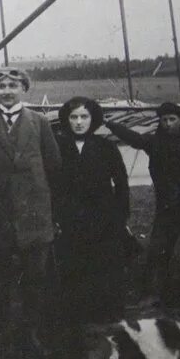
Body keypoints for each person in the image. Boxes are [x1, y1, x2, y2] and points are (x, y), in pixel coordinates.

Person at [0, 68, 61, 356]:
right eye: (2, 86)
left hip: (33, 213)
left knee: (34, 278)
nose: (7, 90)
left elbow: (53, 165)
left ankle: (32, 336)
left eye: (14, 85)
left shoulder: (39, 122)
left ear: (24, 88)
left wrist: (47, 209)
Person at [107, 103, 180, 307]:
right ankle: (152, 293)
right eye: (164, 120)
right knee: (158, 250)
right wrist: (110, 124)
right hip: (166, 207)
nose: (168, 123)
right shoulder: (154, 142)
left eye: (172, 119)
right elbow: (134, 139)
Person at [53, 97, 130, 338]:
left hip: (102, 216)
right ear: (66, 120)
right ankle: (76, 315)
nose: (78, 122)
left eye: (84, 117)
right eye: (73, 117)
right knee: (73, 264)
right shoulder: (58, 145)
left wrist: (120, 217)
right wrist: (55, 215)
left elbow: (121, 183)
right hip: (69, 217)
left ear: (93, 119)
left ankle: (105, 314)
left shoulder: (106, 146)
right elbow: (51, 184)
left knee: (103, 264)